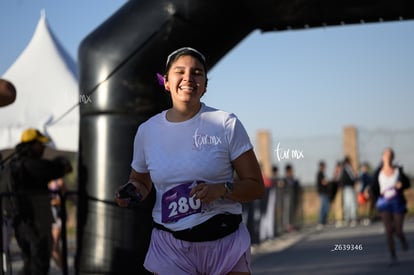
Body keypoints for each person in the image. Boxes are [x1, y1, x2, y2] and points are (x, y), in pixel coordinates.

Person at [115, 47, 265, 275]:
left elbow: (255, 187)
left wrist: (222, 190)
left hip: (226, 245)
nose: (188, 78)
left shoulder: (226, 123)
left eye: (197, 73)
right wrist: (131, 191)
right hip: (170, 249)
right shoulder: (147, 131)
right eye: (180, 71)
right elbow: (141, 182)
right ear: (166, 82)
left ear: (205, 85)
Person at [12, 128, 70, 275]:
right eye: (40, 144)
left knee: (30, 262)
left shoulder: (14, 165)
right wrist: (61, 163)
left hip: (21, 224)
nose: (43, 147)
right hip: (36, 224)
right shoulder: (33, 165)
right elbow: (61, 169)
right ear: (31, 144)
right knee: (39, 264)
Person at [371, 148, 410, 265]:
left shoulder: (398, 171)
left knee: (398, 230)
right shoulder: (378, 172)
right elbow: (373, 187)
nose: (387, 157)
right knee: (388, 230)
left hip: (397, 202)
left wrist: (401, 185)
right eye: (385, 155)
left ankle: (402, 240)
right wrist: (373, 193)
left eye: (389, 155)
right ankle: (392, 254)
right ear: (382, 157)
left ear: (392, 157)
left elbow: (407, 183)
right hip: (384, 203)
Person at [48, 156, 73, 268]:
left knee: (54, 245)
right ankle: (62, 267)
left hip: (58, 214)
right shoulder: (48, 181)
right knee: (54, 246)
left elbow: (66, 196)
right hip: (49, 214)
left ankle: (62, 268)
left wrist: (56, 201)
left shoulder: (60, 182)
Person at [281, 164, 301, 232]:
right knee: (287, 213)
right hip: (287, 199)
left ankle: (292, 225)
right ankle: (287, 226)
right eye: (290, 171)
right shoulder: (284, 180)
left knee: (292, 212)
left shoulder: (293, 180)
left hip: (293, 199)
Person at [339, 156, 358, 227]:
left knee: (346, 204)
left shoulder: (343, 168)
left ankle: (347, 219)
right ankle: (353, 219)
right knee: (352, 203)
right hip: (349, 188)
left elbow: (340, 179)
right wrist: (356, 178)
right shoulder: (348, 168)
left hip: (345, 188)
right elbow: (353, 177)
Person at [316, 161, 330, 230]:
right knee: (323, 208)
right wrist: (327, 181)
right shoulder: (320, 174)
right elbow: (323, 182)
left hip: (325, 193)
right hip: (322, 193)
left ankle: (324, 222)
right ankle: (321, 222)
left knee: (326, 208)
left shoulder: (323, 174)